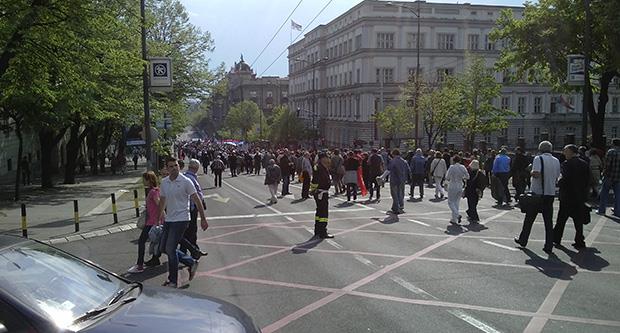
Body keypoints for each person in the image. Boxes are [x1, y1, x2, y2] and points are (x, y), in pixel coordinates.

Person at [158, 157, 208, 288]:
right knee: (163, 248)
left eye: (176, 166)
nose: (174, 168)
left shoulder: (186, 181)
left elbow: (197, 200)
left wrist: (203, 218)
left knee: (170, 248)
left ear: (179, 167)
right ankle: (191, 261)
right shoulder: (164, 182)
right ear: (167, 169)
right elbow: (162, 200)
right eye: (171, 166)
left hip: (182, 219)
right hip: (169, 219)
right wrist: (159, 217)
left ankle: (173, 280)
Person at [514, 141, 561, 254]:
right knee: (548, 221)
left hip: (537, 193)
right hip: (550, 193)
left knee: (529, 219)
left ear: (540, 149)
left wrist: (530, 171)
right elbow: (557, 176)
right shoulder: (556, 160)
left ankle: (523, 239)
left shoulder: (538, 159)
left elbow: (536, 174)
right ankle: (548, 245)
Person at [554, 145, 590, 250]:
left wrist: (559, 183)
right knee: (578, 220)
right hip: (579, 196)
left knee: (561, 219)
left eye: (565, 151)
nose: (564, 153)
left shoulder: (567, 164)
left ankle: (556, 238)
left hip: (567, 195)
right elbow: (588, 180)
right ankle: (579, 240)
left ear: (571, 152)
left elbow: (564, 179)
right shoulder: (584, 163)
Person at [128, 171, 163, 273]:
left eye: (144, 179)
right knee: (156, 242)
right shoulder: (154, 191)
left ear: (149, 180)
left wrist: (162, 219)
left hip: (152, 222)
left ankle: (139, 265)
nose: (143, 181)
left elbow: (159, 205)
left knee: (142, 241)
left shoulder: (153, 192)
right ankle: (155, 260)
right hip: (152, 221)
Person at [181, 159, 208, 260]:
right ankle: (193, 251)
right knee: (191, 231)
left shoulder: (186, 176)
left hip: (188, 208)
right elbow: (197, 195)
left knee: (188, 232)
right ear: (196, 168)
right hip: (191, 208)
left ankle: (189, 251)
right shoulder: (190, 179)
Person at [310, 152, 334, 238]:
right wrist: (313, 190)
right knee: (323, 213)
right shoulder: (319, 167)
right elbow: (315, 180)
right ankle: (323, 232)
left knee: (319, 211)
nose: (328, 159)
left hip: (321, 192)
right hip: (321, 192)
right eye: (326, 157)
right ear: (322, 158)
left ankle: (318, 230)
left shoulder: (322, 167)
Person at [598, 138, 620, 217]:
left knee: (604, 193)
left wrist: (604, 173)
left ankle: (602, 210)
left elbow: (607, 165)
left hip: (609, 176)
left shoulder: (611, 152)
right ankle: (617, 211)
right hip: (618, 177)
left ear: (613, 143)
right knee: (618, 195)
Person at [445, 155, 469, 224]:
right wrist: (462, 177)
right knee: (456, 202)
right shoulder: (463, 167)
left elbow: (447, 177)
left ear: (454, 161)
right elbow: (467, 176)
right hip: (460, 185)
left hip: (452, 185)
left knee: (450, 202)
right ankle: (454, 219)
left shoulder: (452, 167)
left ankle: (457, 215)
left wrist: (446, 183)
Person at [388, 149, 410, 214]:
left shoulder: (393, 161)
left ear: (393, 154)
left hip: (394, 179)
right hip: (402, 179)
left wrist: (382, 177)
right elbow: (408, 170)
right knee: (401, 193)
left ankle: (396, 208)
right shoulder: (404, 161)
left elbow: (388, 170)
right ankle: (401, 205)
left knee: (394, 194)